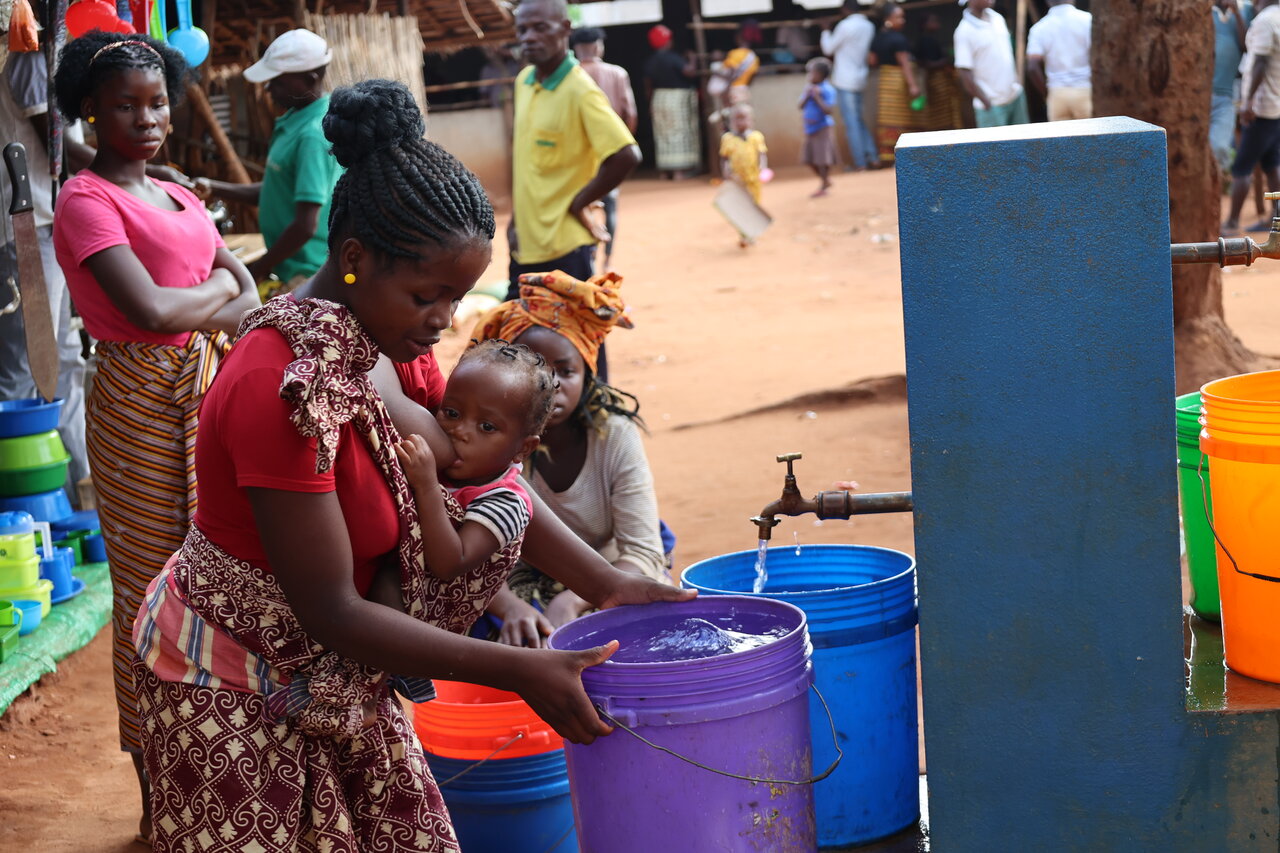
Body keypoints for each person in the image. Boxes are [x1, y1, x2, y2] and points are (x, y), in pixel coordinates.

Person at [130, 79, 689, 852]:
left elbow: (483, 471)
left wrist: (606, 582)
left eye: (456, 296)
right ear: (354, 259)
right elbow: (330, 607)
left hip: (347, 668)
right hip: (234, 678)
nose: (448, 319)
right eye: (431, 295)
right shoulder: (284, 384)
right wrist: (516, 669)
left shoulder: (389, 347)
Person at [51, 32, 260, 846]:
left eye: (157, 101)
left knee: (224, 574)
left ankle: (225, 774)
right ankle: (157, 796)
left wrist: (204, 297)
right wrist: (210, 293)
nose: (146, 118)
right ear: (91, 114)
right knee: (150, 590)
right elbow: (149, 313)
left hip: (208, 390)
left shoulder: (173, 188)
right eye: (125, 106)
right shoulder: (84, 201)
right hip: (139, 399)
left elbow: (240, 287)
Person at [470, 271, 672, 648]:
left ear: (587, 374)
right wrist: (511, 608)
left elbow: (643, 552)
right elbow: (461, 555)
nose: (553, 386)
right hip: (511, 588)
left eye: (565, 371)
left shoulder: (614, 437)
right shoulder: (487, 438)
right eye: (537, 372)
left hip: (607, 576)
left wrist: (574, 598)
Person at [0, 44, 90, 493]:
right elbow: (60, 148)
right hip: (25, 226)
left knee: (64, 361)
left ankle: (79, 488)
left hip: (42, 224)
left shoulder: (42, 56)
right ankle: (19, 502)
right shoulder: (30, 59)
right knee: (23, 371)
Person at [508, 0, 640, 301]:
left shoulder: (579, 89)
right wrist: (516, 221)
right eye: (523, 29)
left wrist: (578, 203)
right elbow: (526, 163)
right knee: (517, 340)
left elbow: (626, 154)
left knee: (577, 339)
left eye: (540, 28)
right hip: (526, 243)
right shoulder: (523, 83)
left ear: (565, 29)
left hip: (566, 246)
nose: (529, 37)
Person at [193, 29, 341, 297]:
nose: (269, 89)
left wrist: (257, 269)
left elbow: (306, 224)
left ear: (311, 78)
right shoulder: (295, 121)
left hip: (309, 274)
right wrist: (212, 186)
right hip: (292, 270)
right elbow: (275, 190)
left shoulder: (312, 135)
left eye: (278, 82)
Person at [395, 340, 553, 582]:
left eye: (487, 427)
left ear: (523, 448)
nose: (459, 431)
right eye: (452, 413)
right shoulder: (435, 466)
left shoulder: (506, 503)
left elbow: (450, 564)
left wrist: (426, 486)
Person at [570, 26, 637, 273]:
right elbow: (630, 112)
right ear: (598, 46)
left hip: (578, 156)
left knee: (582, 204)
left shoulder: (571, 75)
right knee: (609, 205)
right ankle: (608, 258)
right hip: (610, 152)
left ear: (575, 49)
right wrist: (621, 144)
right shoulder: (617, 73)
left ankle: (589, 257)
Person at [1225, 0, 1280, 233]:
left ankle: (1232, 222)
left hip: (1260, 107)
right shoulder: (1277, 16)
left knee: (1241, 167)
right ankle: (1275, 219)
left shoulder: (1265, 21)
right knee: (1271, 164)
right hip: (1275, 104)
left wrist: (1247, 102)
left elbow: (1259, 62)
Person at [820, 0, 878, 172]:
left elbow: (828, 49)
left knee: (852, 123)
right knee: (859, 121)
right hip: (860, 78)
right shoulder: (868, 26)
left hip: (845, 80)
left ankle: (860, 163)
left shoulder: (845, 26)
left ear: (844, 10)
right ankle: (872, 157)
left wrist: (824, 30)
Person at [954, 0, 1028, 128]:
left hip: (1015, 96)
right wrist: (986, 102)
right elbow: (964, 73)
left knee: (1025, 144)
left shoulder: (997, 18)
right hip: (991, 106)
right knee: (997, 147)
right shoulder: (964, 31)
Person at [643, 25, 700, 180]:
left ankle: (664, 172)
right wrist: (692, 59)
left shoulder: (651, 61)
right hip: (677, 100)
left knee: (662, 135)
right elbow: (690, 72)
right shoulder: (673, 57)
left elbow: (648, 86)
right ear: (667, 41)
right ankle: (678, 172)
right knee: (680, 134)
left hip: (659, 99)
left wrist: (650, 104)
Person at [869, 3, 922, 165]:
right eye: (899, 17)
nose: (903, 20)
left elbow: (872, 61)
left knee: (887, 120)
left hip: (885, 83)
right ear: (888, 19)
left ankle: (888, 154)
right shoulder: (899, 39)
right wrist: (913, 85)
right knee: (904, 119)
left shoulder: (877, 38)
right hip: (899, 85)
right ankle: (907, 155)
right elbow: (905, 64)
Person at [1026, 0, 1093, 121]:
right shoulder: (1087, 20)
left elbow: (1032, 67)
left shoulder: (1039, 28)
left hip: (1057, 93)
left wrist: (1047, 94)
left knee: (1060, 138)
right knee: (1090, 138)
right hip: (1084, 90)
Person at [1212, 0, 1255, 174]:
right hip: (1197, 95)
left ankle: (1214, 190)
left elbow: (1247, 46)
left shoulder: (1245, 11)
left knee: (1219, 147)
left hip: (1226, 95)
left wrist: (1237, 14)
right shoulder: (1203, 11)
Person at [916, 12, 964, 131]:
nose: (937, 23)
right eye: (933, 21)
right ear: (925, 24)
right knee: (940, 113)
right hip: (936, 82)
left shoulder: (931, 39)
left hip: (939, 81)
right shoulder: (926, 40)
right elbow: (927, 63)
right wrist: (944, 62)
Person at [800, 57, 838, 197]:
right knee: (808, 159)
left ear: (822, 75)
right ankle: (826, 180)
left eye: (813, 73)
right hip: (810, 129)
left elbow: (828, 111)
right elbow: (800, 106)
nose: (810, 76)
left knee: (823, 159)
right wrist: (807, 94)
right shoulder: (808, 88)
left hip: (823, 128)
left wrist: (817, 97)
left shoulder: (827, 90)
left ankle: (823, 185)